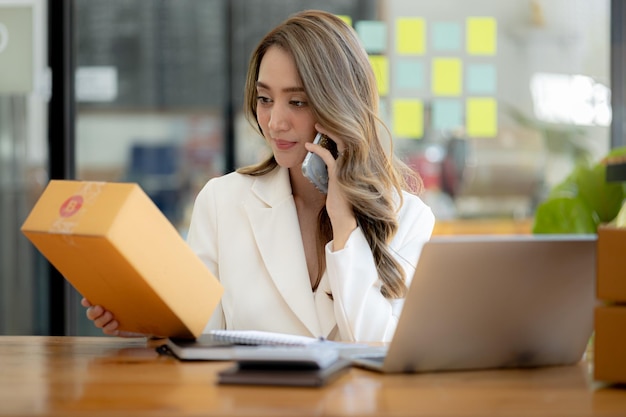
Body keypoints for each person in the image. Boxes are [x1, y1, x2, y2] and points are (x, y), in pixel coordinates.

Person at [82, 9, 435, 342]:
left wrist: (344, 226)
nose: (274, 122)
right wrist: (147, 324)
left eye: (297, 102)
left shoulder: (407, 217)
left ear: (342, 108)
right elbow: (201, 333)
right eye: (265, 99)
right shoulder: (223, 201)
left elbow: (380, 348)